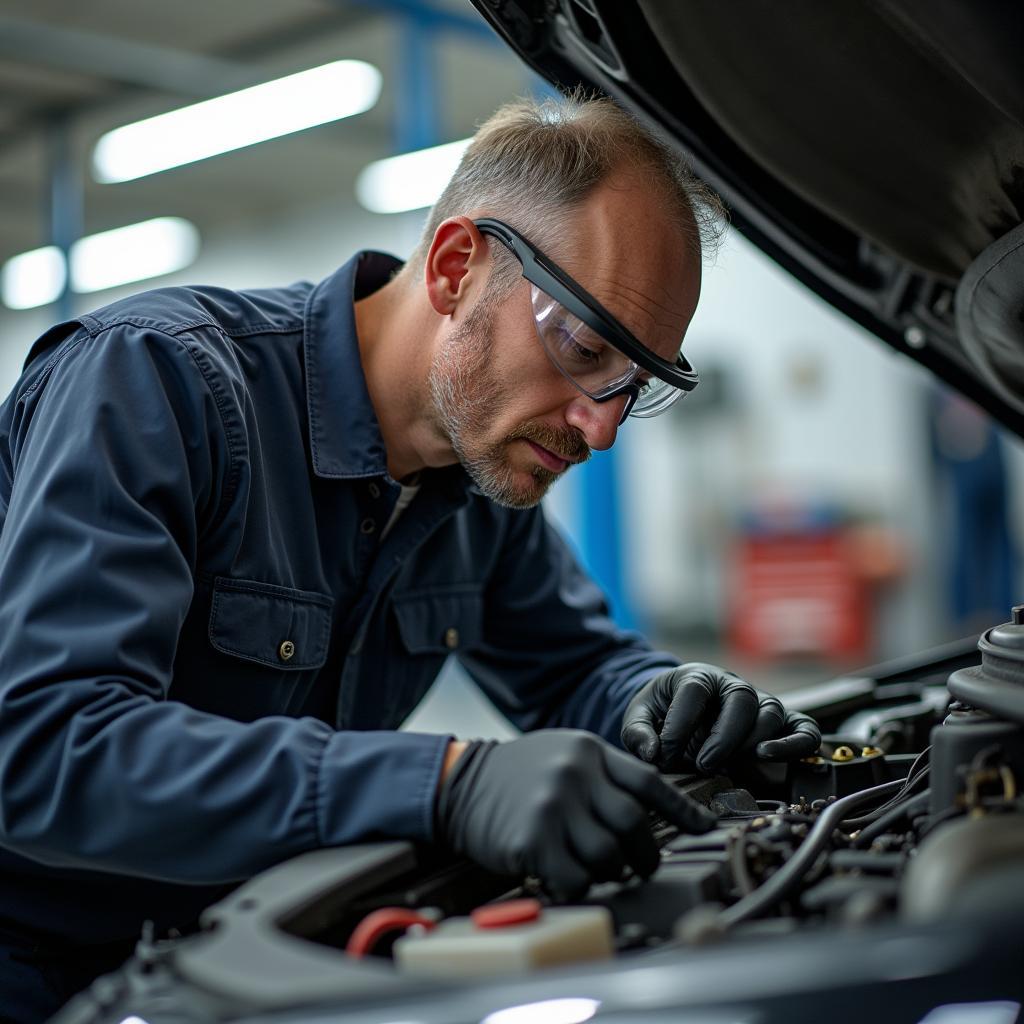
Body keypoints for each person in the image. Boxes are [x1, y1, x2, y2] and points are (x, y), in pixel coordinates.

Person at [0, 94, 819, 1020]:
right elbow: (44, 748)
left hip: (249, 950)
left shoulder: (476, 475)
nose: (600, 426)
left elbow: (575, 667)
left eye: (634, 388)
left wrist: (660, 701)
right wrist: (443, 782)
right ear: (456, 267)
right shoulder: (157, 382)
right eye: (585, 347)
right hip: (35, 958)